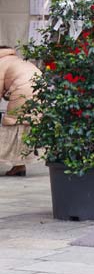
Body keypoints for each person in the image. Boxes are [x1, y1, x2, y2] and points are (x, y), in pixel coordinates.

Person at [0, 46, 39, 176]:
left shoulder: (1, 63)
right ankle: (19, 166)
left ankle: (17, 165)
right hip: (41, 90)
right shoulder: (16, 60)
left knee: (13, 126)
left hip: (24, 92)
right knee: (24, 128)